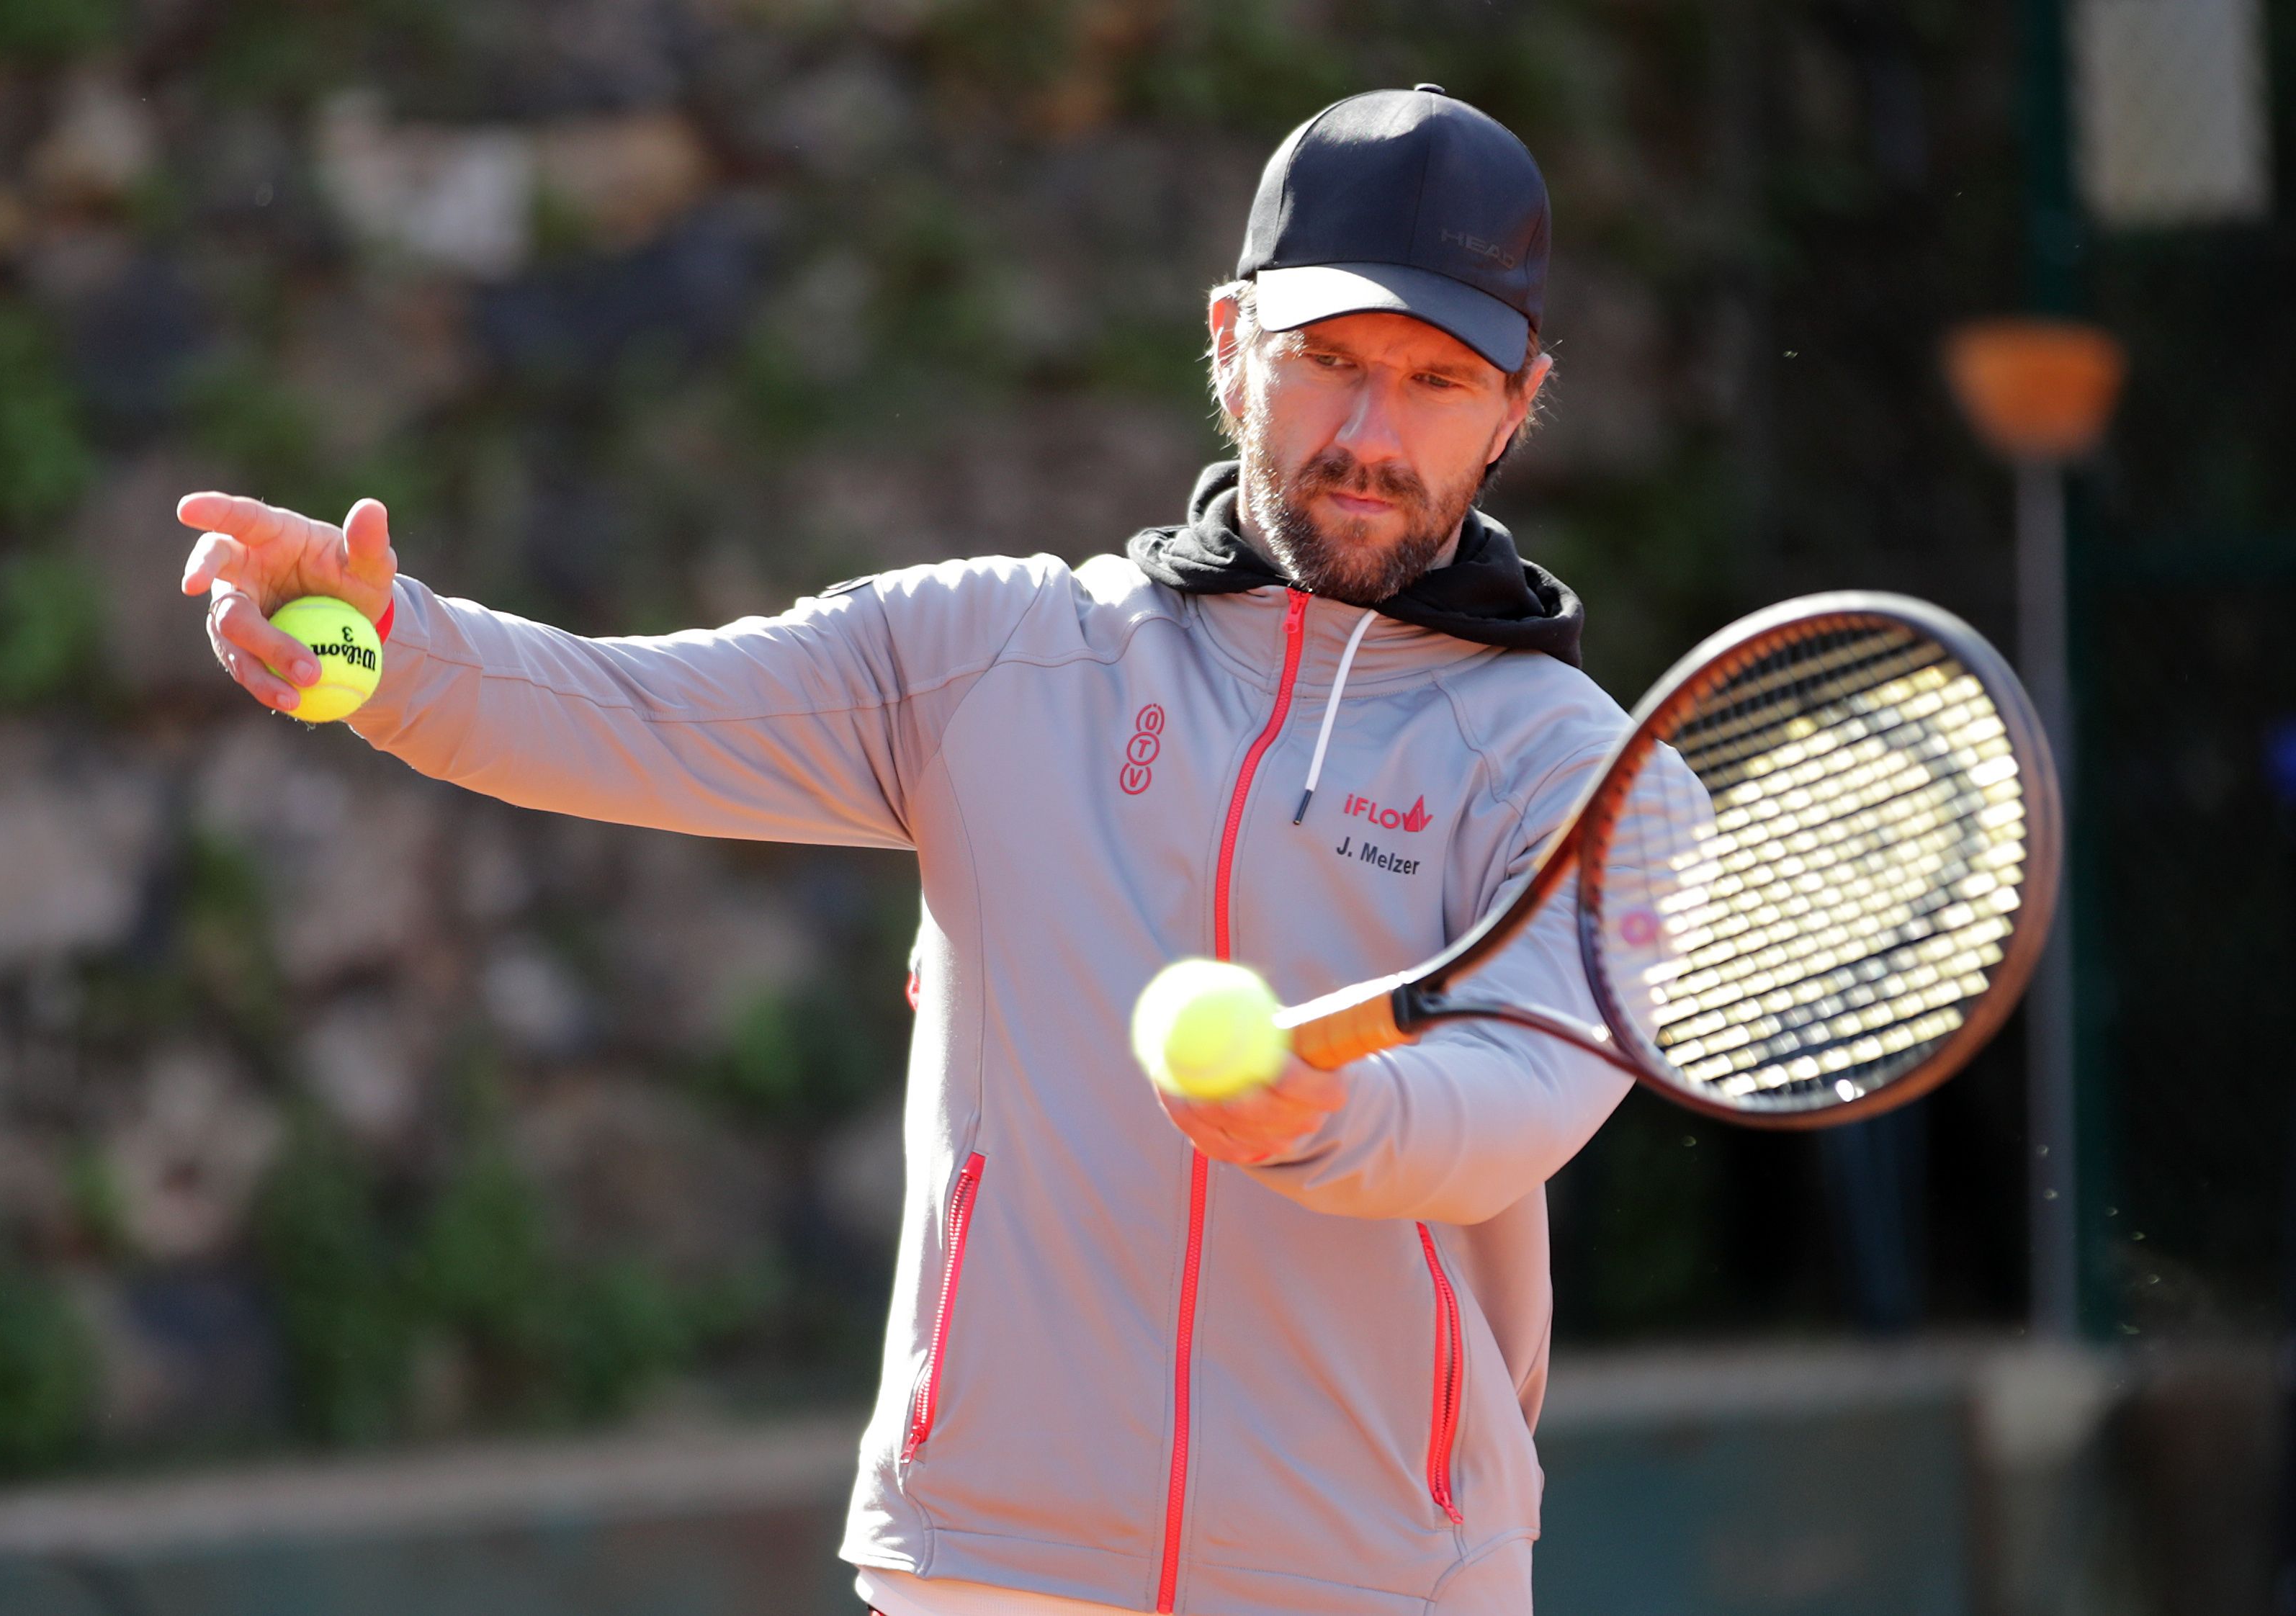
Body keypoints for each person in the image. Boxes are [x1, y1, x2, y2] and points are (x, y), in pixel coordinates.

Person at [177, 86, 1633, 1616]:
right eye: (1327, 360)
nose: (1370, 433)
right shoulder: (989, 650)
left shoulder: (1583, 771)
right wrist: (392, 648)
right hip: (983, 1565)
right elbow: (629, 714)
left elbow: (1524, 1092)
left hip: (1388, 1583)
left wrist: (1333, 1115)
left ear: (1518, 403)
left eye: (1435, 380)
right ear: (1228, 342)